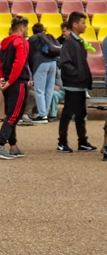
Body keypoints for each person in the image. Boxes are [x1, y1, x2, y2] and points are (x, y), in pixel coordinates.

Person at [0, 16, 32, 159]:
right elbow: (19, 64)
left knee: (11, 113)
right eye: (26, 28)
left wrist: (2, 80)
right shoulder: (21, 42)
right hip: (18, 82)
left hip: (8, 83)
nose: (27, 31)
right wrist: (10, 81)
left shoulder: (4, 42)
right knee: (14, 115)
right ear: (22, 28)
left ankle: (13, 146)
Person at [57, 12, 97, 153]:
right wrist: (77, 76)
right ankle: (62, 142)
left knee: (80, 113)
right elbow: (65, 63)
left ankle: (83, 142)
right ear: (75, 24)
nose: (85, 25)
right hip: (73, 84)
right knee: (68, 113)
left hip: (79, 85)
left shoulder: (78, 41)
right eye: (83, 22)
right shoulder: (69, 42)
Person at [28, 23, 62, 123]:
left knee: (39, 90)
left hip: (40, 63)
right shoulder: (49, 37)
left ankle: (42, 115)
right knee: (49, 89)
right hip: (53, 63)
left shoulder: (33, 39)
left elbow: (29, 54)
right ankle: (45, 113)